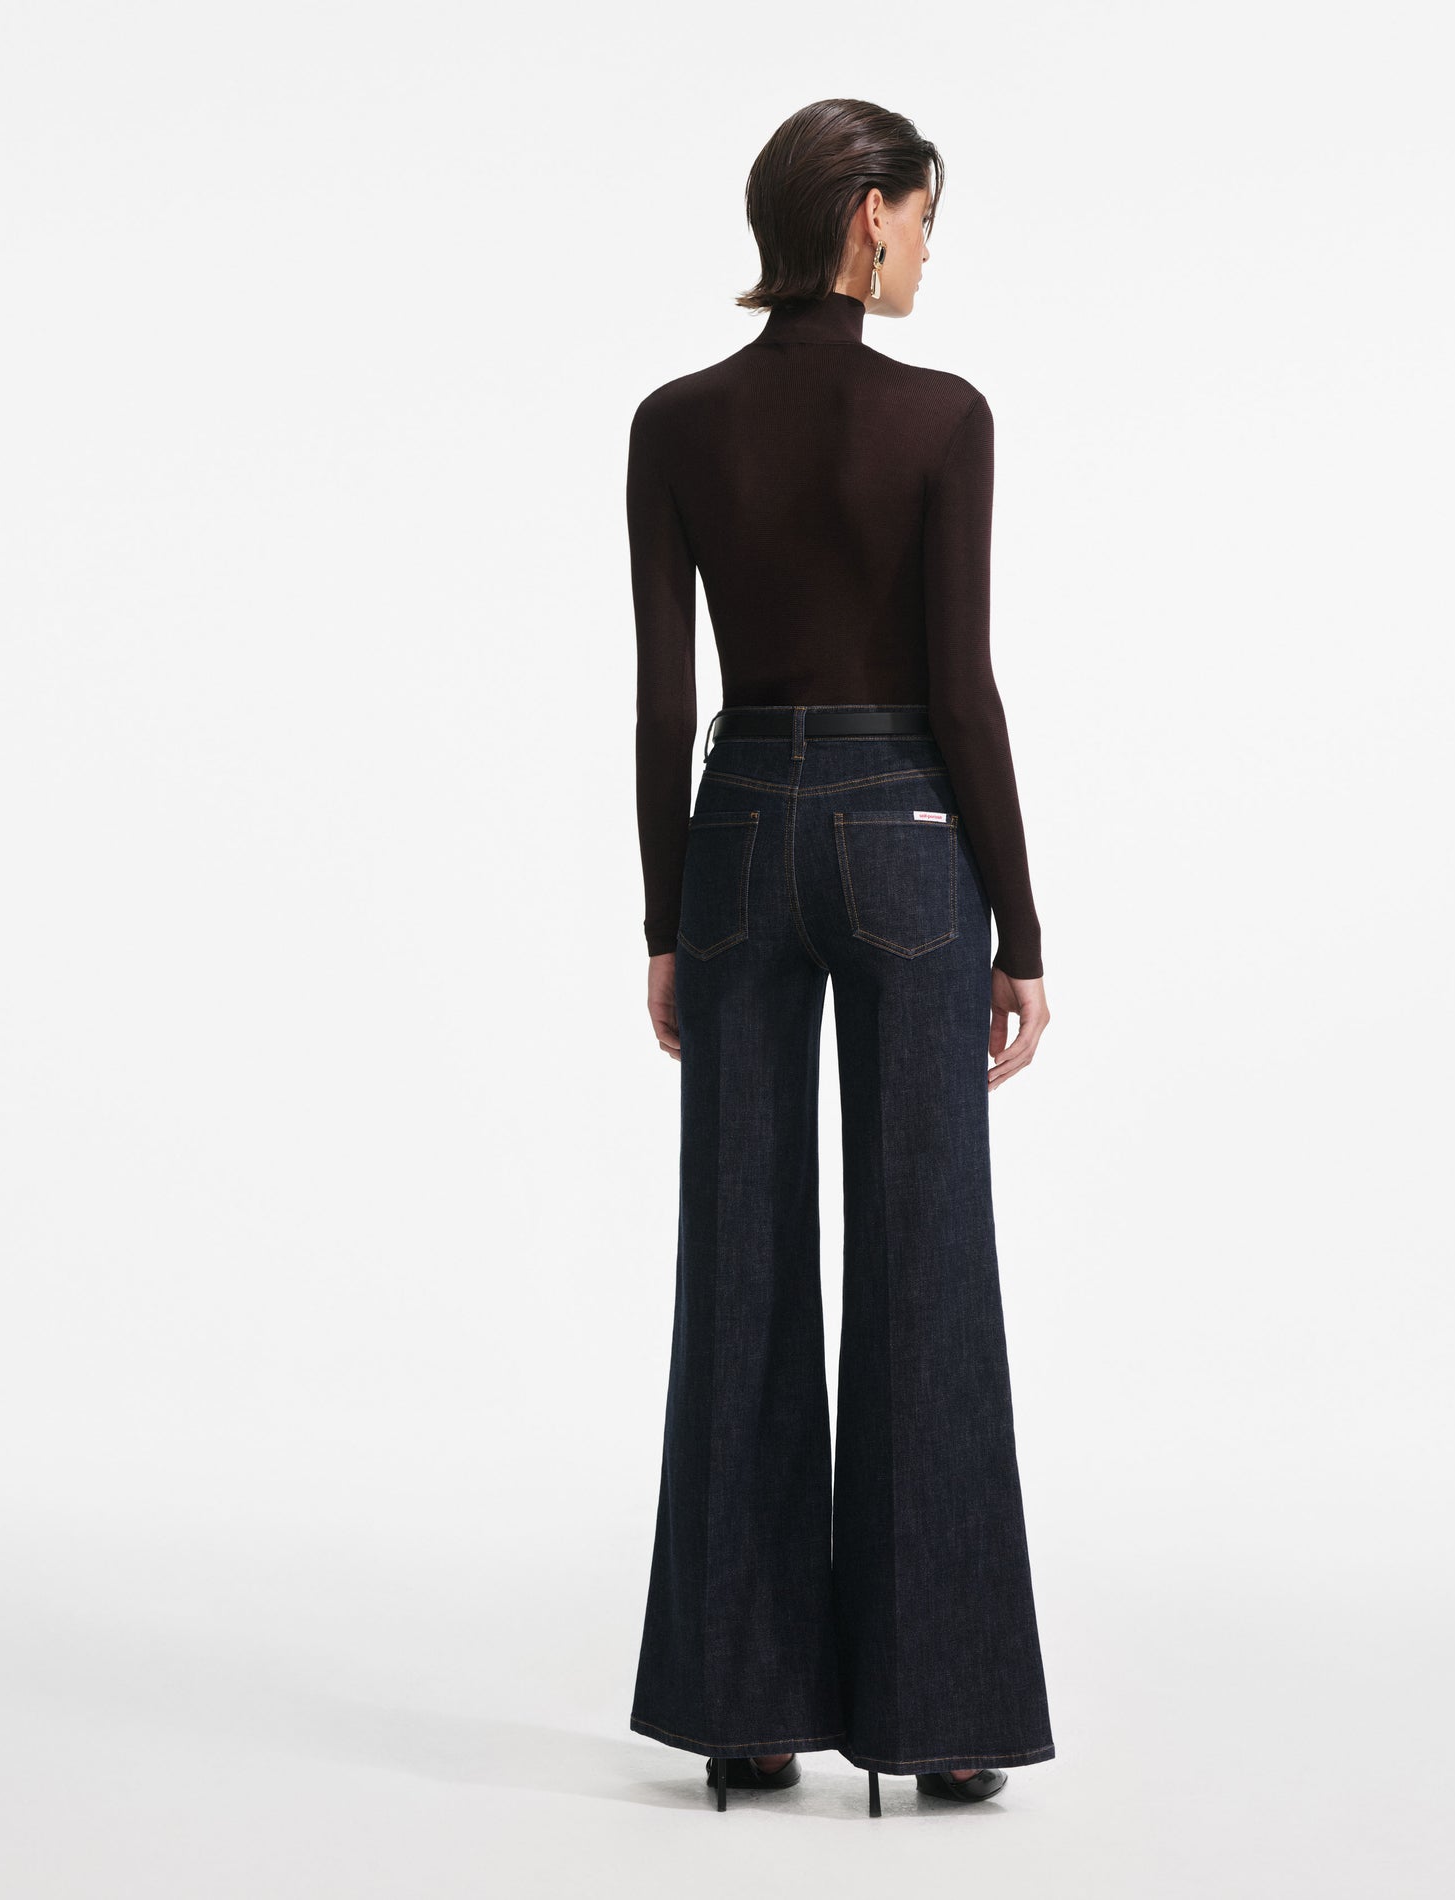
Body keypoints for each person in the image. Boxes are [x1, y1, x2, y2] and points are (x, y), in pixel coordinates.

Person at [625, 98, 1054, 1818]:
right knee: (926, 1257)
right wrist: (1022, 925)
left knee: (738, 1256)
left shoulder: (675, 422)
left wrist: (666, 916)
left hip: (737, 828)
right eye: (926, 218)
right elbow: (961, 690)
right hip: (904, 834)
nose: (930, 249)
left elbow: (664, 695)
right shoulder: (942, 417)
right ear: (867, 214)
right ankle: (943, 1713)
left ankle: (745, 1707)